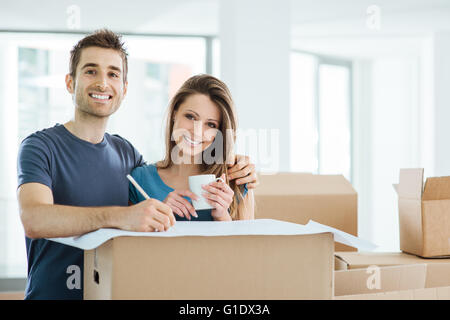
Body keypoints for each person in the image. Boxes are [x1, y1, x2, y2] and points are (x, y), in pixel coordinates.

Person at [16, 29, 258, 300]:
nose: (103, 83)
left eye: (113, 74)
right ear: (70, 83)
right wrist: (122, 216)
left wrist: (235, 162)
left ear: (124, 88)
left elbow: (162, 184)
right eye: (90, 71)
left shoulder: (127, 155)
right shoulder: (40, 147)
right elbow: (34, 219)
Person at [129, 75, 254, 221]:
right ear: (175, 113)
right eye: (191, 117)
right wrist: (159, 214)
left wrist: (222, 216)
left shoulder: (237, 181)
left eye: (211, 124)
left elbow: (244, 244)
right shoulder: (140, 180)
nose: (197, 131)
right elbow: (129, 242)